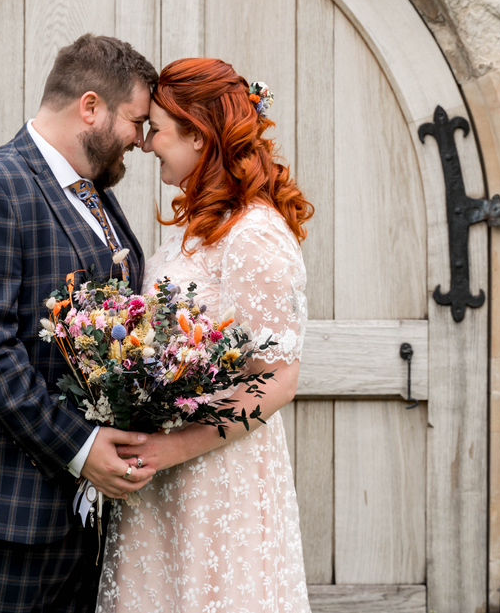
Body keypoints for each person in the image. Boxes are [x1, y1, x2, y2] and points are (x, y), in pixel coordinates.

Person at [0, 34, 159, 613]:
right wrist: (81, 447)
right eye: (135, 121)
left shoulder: (92, 192)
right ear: (90, 107)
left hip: (76, 515)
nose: (142, 142)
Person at [96, 58, 314, 612]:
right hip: (164, 481)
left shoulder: (254, 235)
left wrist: (171, 448)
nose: (146, 145)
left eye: (158, 130)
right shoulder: (199, 228)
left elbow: (279, 380)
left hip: (217, 479)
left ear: (198, 134)